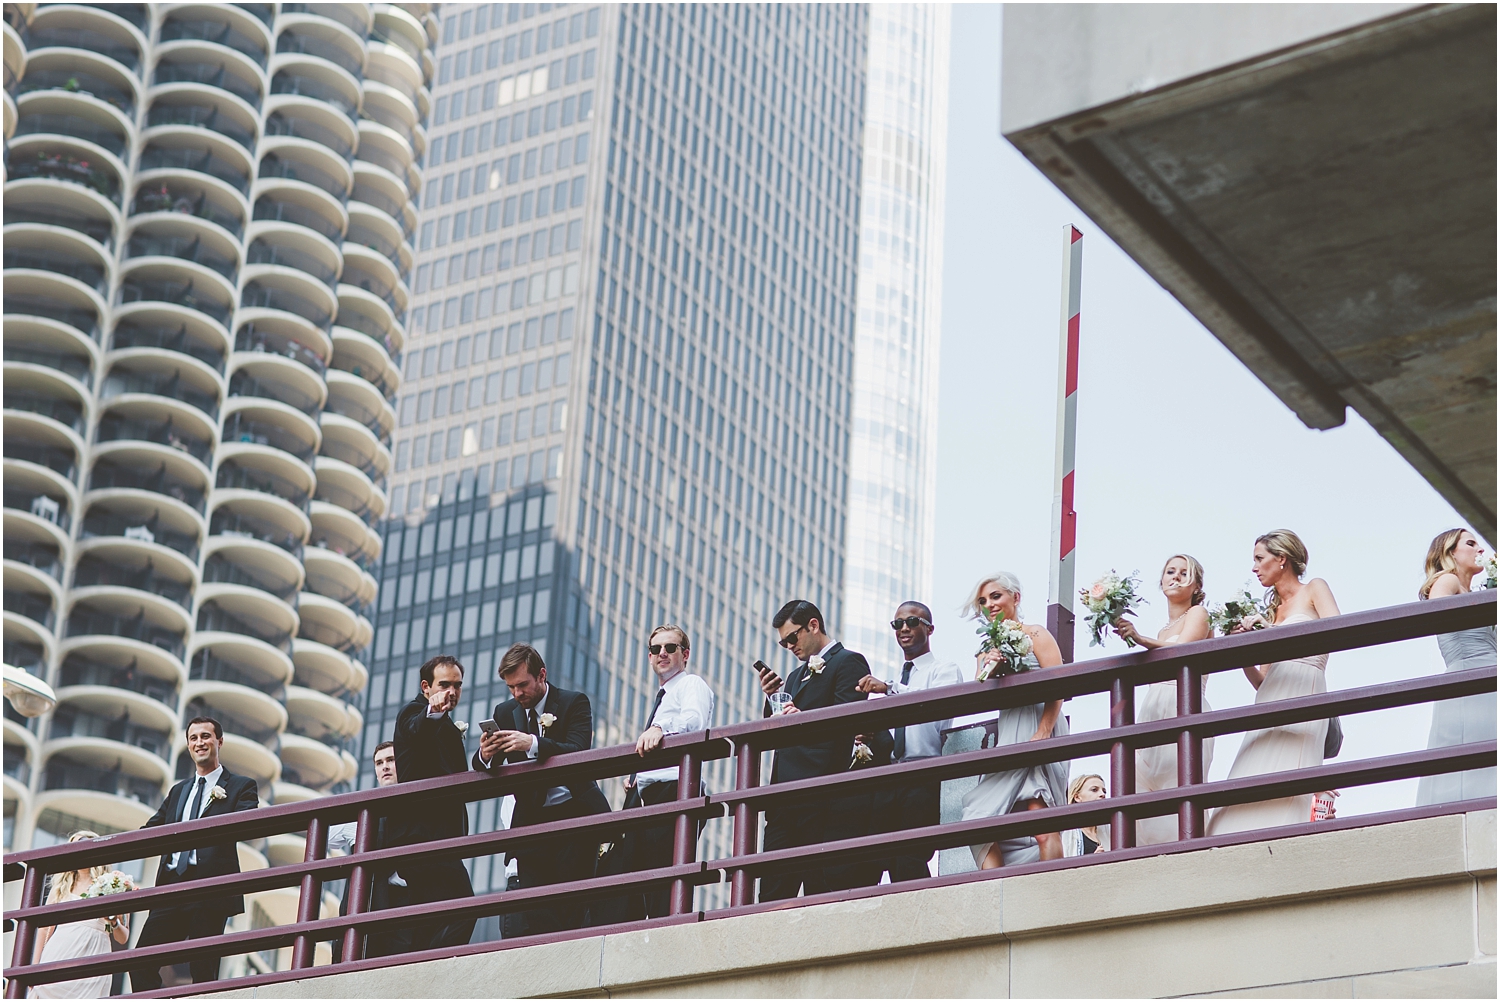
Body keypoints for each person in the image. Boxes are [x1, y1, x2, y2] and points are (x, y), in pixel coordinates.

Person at [754, 599, 892, 900]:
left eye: (793, 638)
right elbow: (778, 733)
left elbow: (846, 723)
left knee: (821, 891)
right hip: (784, 800)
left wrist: (801, 717)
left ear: (813, 625)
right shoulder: (792, 677)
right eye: (783, 643)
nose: (790, 646)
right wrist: (772, 700)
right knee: (772, 895)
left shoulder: (848, 662)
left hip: (821, 797)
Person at [1208, 530, 1340, 836]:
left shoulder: (1314, 589)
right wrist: (1243, 652)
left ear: (1281, 559)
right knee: (1253, 766)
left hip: (1305, 683)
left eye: (1259, 559)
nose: (1254, 568)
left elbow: (1338, 628)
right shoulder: (1271, 611)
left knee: (1291, 773)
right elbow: (1263, 679)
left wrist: (1269, 631)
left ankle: (1281, 836)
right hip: (1271, 695)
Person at [474, 642, 611, 934]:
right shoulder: (505, 711)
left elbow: (577, 749)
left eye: (522, 685)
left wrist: (533, 744)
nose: (517, 694)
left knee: (574, 905)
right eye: (511, 687)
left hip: (574, 814)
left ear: (542, 675)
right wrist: (485, 754)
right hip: (530, 820)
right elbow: (487, 765)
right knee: (535, 909)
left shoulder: (574, 702)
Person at [131, 717, 259, 992]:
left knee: (202, 969)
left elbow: (249, 823)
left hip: (209, 889)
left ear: (219, 742)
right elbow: (151, 830)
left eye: (205, 736)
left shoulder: (241, 785)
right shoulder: (179, 791)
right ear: (188, 745)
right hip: (170, 888)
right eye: (193, 738)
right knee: (139, 960)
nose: (199, 742)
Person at [959, 573, 1071, 869]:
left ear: (1015, 598)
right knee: (977, 820)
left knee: (1040, 817)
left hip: (1040, 725)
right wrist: (990, 667)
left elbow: (1059, 685)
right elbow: (978, 693)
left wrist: (1044, 731)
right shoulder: (986, 648)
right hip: (1010, 734)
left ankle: (1051, 891)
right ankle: (997, 893)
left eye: (996, 596)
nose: (989, 605)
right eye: (983, 601)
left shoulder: (1036, 633)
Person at [856, 601, 966, 882]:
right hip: (892, 775)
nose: (904, 628)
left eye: (912, 622)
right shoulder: (899, 680)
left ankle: (925, 916)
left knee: (910, 856)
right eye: (898, 624)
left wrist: (889, 689)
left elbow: (933, 708)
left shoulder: (944, 670)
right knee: (874, 858)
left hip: (924, 774)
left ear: (929, 629)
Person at [1113, 554, 1218, 845]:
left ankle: (1184, 853)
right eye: (1170, 571)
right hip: (1152, 711)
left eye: (1184, 572)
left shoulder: (1199, 614)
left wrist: (1140, 639)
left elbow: (1182, 650)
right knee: (1139, 789)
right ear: (1161, 581)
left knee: (1178, 789)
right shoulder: (1163, 630)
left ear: (1196, 584)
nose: (1176, 576)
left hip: (1181, 706)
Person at [623, 624, 715, 918]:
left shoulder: (691, 685)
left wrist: (660, 728)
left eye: (670, 648)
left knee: (664, 883)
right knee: (632, 882)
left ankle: (666, 942)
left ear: (684, 654)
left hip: (674, 791)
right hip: (647, 794)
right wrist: (638, 775)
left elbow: (694, 722)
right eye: (655, 649)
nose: (662, 653)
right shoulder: (663, 695)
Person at [392, 655, 476, 950]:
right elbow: (418, 729)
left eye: (457, 686)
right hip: (418, 836)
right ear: (426, 687)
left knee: (433, 917)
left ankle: (423, 966)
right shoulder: (413, 713)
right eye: (444, 685)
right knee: (465, 907)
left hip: (441, 837)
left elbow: (460, 779)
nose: (451, 692)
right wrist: (433, 711)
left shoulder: (451, 730)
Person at [1415, 528, 1496, 804]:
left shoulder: (1474, 591)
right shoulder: (1447, 581)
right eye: (1471, 543)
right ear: (1451, 553)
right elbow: (1436, 611)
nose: (1480, 549)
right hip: (1469, 675)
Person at [328, 741, 411, 958]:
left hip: (401, 907)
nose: (384, 767)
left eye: (391, 760)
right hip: (362, 904)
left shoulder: (416, 802)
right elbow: (326, 837)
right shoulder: (363, 809)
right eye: (379, 763)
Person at [31, 831, 129, 999]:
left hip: (94, 958)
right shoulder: (61, 887)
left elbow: (123, 937)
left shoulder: (113, 884)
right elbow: (44, 928)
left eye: (83, 845)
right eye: (73, 847)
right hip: (59, 953)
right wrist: (34, 967)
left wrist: (113, 921)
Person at [1062, 775, 1109, 857]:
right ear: (1077, 797)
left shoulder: (1109, 830)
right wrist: (1092, 860)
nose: (1102, 794)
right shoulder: (1068, 833)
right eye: (1094, 790)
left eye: (1104, 791)